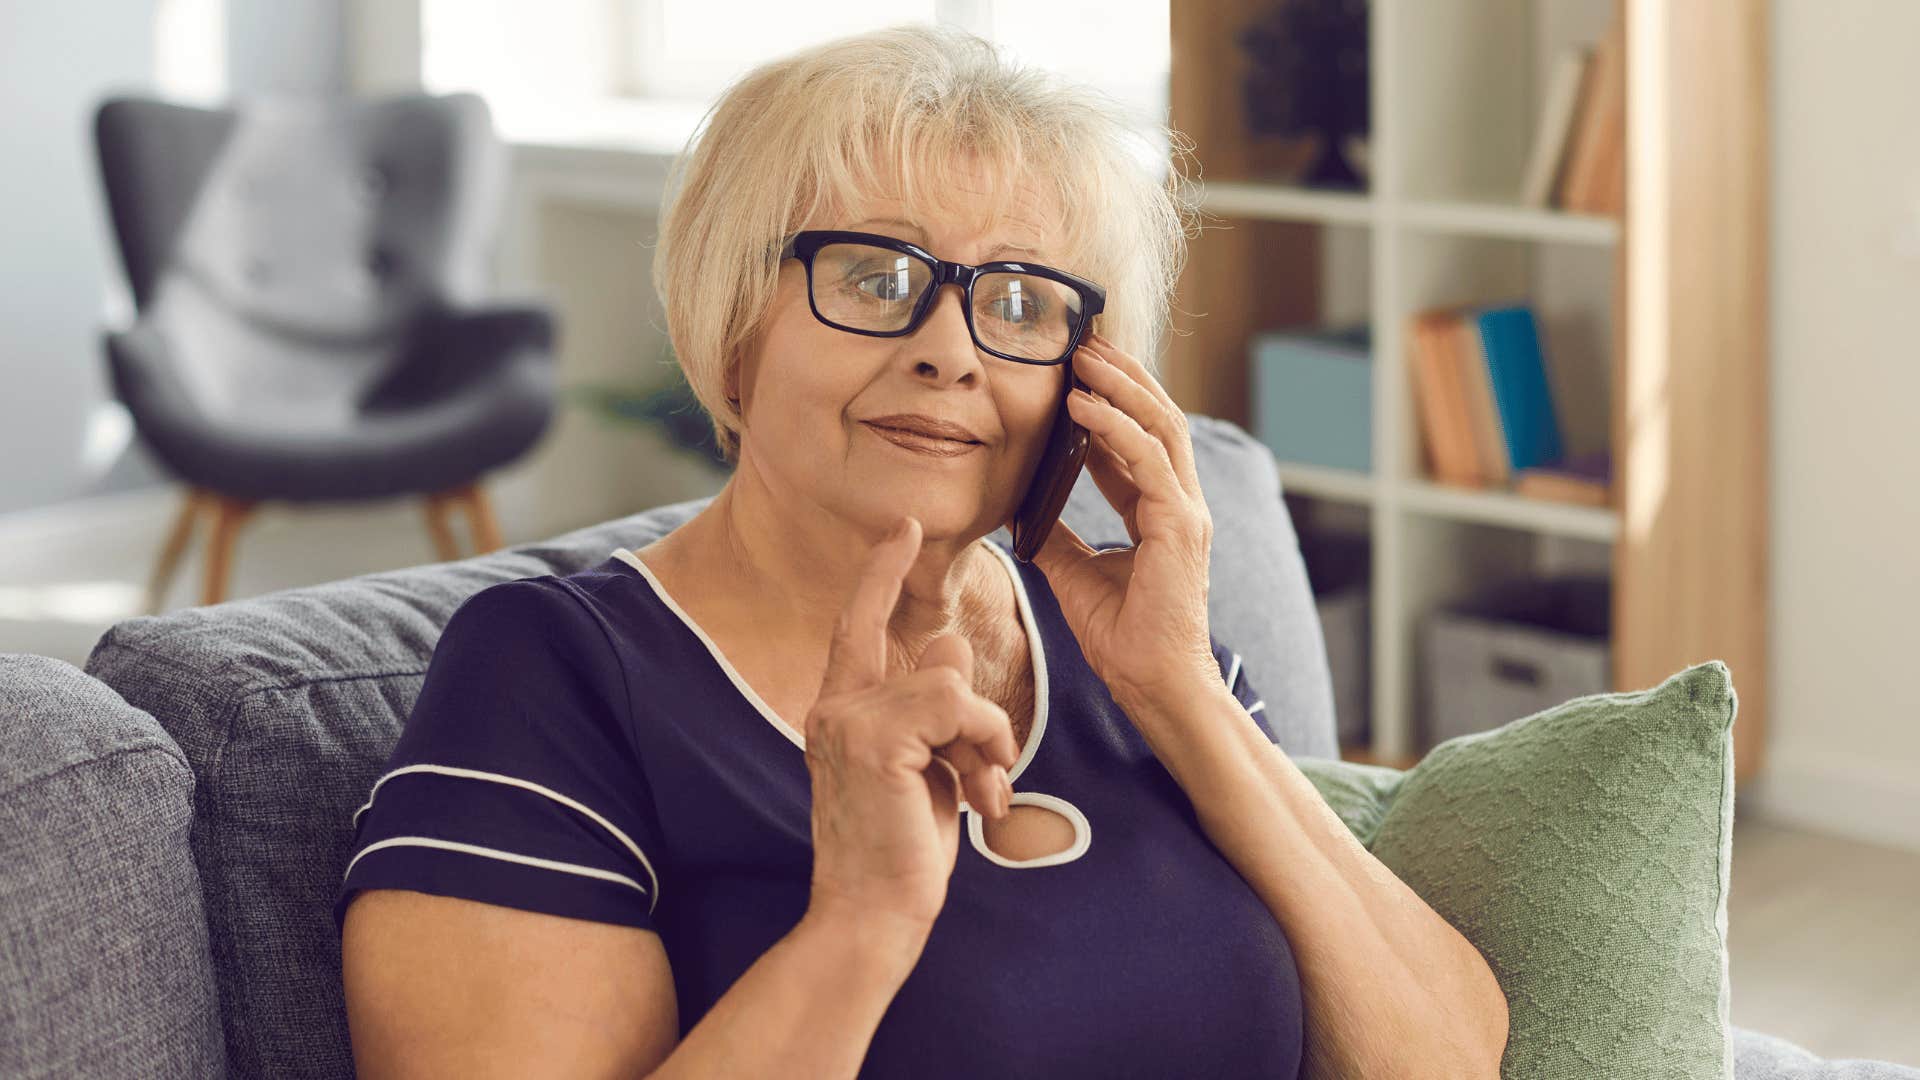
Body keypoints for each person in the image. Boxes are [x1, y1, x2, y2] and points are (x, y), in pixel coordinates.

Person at [336, 22, 1508, 1079]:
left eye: (1019, 300)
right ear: (734, 319)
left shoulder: (1141, 656)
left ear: (1086, 379)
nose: (951, 350)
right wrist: (864, 922)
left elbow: (1444, 1060)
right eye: (875, 276)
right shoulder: (556, 678)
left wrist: (1181, 692)